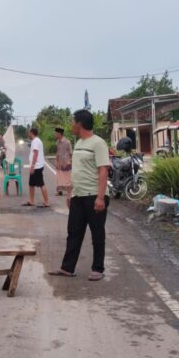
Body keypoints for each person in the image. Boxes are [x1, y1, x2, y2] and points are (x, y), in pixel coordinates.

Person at [49, 109, 111, 281]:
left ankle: (98, 268)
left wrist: (100, 197)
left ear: (80, 123)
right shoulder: (79, 143)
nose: (71, 125)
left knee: (97, 233)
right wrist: (70, 192)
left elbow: (103, 170)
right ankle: (67, 267)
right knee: (74, 232)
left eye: (73, 121)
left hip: (94, 195)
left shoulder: (98, 143)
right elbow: (77, 171)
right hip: (78, 195)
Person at [24, 128, 50, 208]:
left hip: (37, 166)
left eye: (29, 132)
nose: (28, 134)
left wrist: (32, 166)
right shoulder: (37, 140)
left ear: (31, 133)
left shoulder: (35, 141)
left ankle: (46, 202)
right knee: (31, 184)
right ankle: (31, 201)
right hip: (37, 165)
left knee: (41, 184)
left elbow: (35, 154)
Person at [55, 128, 73, 200]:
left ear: (60, 134)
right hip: (59, 162)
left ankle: (69, 191)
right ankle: (60, 191)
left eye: (56, 133)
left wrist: (70, 161)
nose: (55, 135)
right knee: (59, 177)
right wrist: (57, 161)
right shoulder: (58, 142)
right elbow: (58, 152)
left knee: (67, 177)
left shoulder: (67, 142)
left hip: (66, 162)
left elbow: (70, 152)